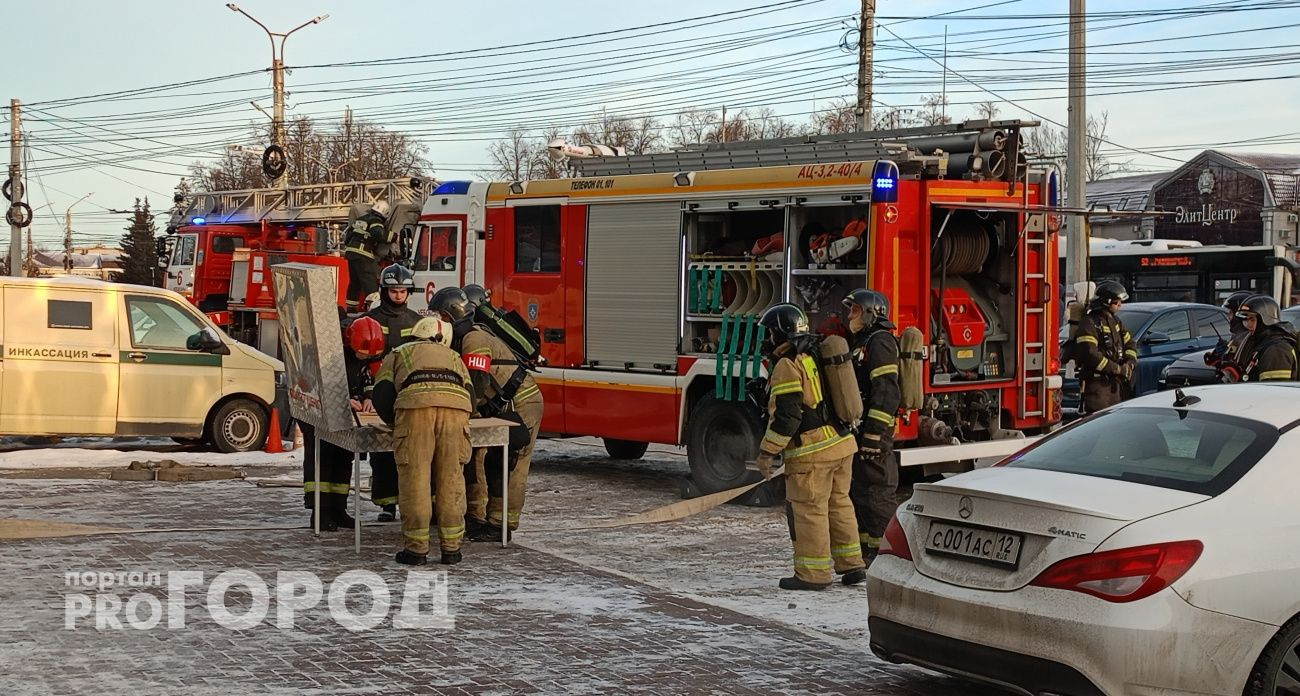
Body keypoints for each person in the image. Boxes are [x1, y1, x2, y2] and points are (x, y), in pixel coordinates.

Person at [754, 303, 866, 591]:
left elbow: (788, 416)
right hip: (842, 443)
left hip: (813, 452)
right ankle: (852, 565)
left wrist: (767, 452)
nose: (766, 340)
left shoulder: (786, 365)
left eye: (769, 334)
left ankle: (813, 575)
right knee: (839, 503)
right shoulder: (816, 352)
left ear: (779, 333)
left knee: (809, 509)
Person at [429, 287, 532, 542]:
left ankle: (502, 525)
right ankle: (483, 517)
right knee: (490, 461)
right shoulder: (463, 337)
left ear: (450, 314)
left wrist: (466, 410)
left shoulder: (473, 339)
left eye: (439, 316)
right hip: (502, 403)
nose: (437, 322)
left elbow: (478, 379)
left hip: (521, 402)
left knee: (513, 463)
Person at [371, 316, 475, 566]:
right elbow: (472, 392)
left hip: (415, 409)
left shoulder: (398, 353)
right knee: (451, 477)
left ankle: (417, 550)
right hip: (456, 410)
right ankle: (452, 549)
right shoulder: (453, 356)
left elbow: (381, 394)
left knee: (415, 477)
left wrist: (396, 423)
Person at [300, 315, 386, 532]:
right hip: (319, 414)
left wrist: (369, 397)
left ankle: (339, 509)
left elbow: (367, 378)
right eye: (360, 354)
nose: (362, 358)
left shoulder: (364, 353)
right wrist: (341, 399)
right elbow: (315, 383)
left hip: (347, 415)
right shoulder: (330, 356)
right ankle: (320, 512)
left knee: (343, 459)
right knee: (323, 460)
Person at [841, 289, 901, 565]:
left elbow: (887, 393)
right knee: (861, 493)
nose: (849, 315)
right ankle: (869, 552)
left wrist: (874, 434)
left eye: (854, 310)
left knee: (877, 493)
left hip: (874, 431)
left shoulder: (880, 343)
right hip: (861, 428)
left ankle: (888, 555)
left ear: (870, 312)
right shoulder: (863, 341)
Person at [365, 264, 422, 521]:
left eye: (403, 291)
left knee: (412, 451)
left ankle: (414, 503)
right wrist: (367, 394)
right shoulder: (370, 321)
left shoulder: (417, 322)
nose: (398, 295)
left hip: (409, 393)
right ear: (384, 291)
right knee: (383, 452)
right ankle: (387, 505)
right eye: (393, 291)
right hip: (380, 392)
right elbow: (362, 361)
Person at [1074, 280, 1137, 414]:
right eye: (1116, 302)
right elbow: (1090, 354)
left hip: (1117, 387)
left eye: (1120, 302)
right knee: (1098, 424)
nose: (1120, 305)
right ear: (1106, 302)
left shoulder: (1116, 322)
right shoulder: (1089, 323)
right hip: (1098, 388)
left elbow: (1130, 344)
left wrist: (1129, 364)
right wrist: (1117, 369)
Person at [343, 201, 393, 312]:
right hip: (363, 254)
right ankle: (374, 309)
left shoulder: (360, 219)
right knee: (370, 283)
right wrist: (394, 236)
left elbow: (348, 238)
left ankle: (351, 309)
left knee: (355, 283)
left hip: (351, 254)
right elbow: (378, 234)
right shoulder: (375, 220)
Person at [1235, 295, 1298, 382]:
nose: (1248, 325)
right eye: (1246, 320)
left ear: (1265, 321)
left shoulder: (1277, 350)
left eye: (1252, 320)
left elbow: (1272, 391)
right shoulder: (1262, 342)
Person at [1204, 291, 1254, 383]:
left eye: (1230, 313)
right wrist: (1218, 355)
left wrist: (1225, 355)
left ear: (1239, 315)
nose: (1228, 317)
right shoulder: (1238, 336)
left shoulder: (1249, 339)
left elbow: (1238, 367)